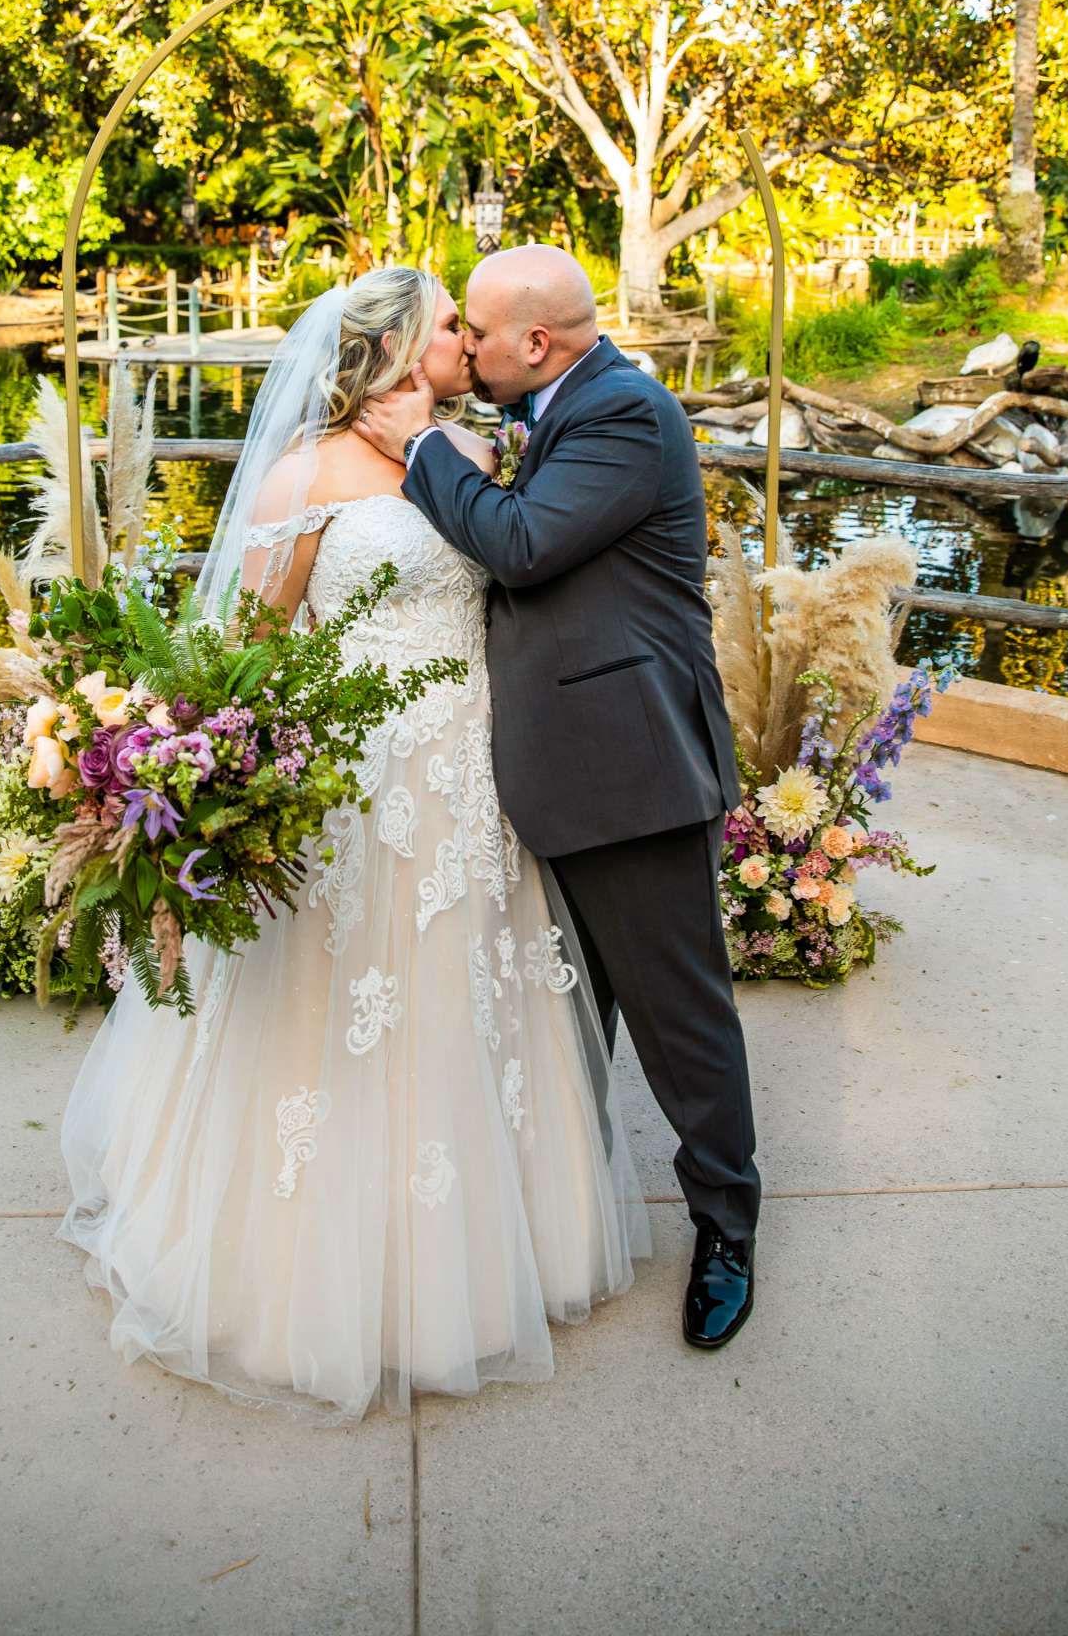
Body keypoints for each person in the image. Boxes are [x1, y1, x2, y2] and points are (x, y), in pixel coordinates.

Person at [58, 267, 647, 1421]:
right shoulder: (303, 474)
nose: (464, 345)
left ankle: (493, 1259)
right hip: (355, 782)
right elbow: (253, 642)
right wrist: (225, 769)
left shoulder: (474, 459)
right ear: (392, 350)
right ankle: (308, 1278)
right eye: (446, 329)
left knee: (468, 996)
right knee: (344, 1005)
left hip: (474, 775)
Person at [356, 244, 759, 1350]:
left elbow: (524, 548)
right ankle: (564, 1208)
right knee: (566, 1015)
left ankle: (726, 1226)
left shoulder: (623, 413)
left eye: (477, 333)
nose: (468, 350)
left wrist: (426, 449)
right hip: (543, 771)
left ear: (535, 343)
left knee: (679, 1022)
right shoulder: (563, 403)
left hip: (625, 771)